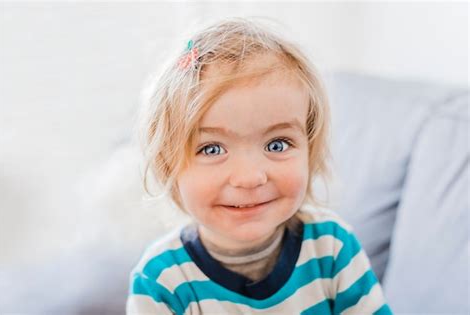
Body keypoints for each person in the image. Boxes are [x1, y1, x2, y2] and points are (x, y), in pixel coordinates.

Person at [126, 17, 393, 314]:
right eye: (212, 149)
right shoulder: (160, 282)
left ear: (309, 149)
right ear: (168, 165)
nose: (250, 177)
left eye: (277, 145)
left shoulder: (332, 247)